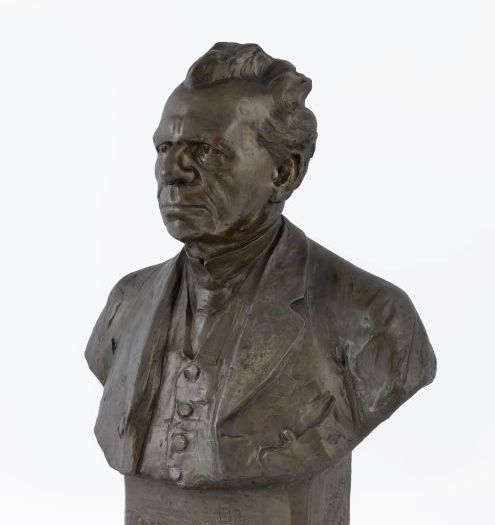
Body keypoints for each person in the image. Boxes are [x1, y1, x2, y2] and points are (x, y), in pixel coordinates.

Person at [86, 42, 436, 489]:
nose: (172, 170)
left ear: (284, 173)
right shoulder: (125, 304)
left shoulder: (374, 318)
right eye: (164, 147)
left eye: (207, 151)